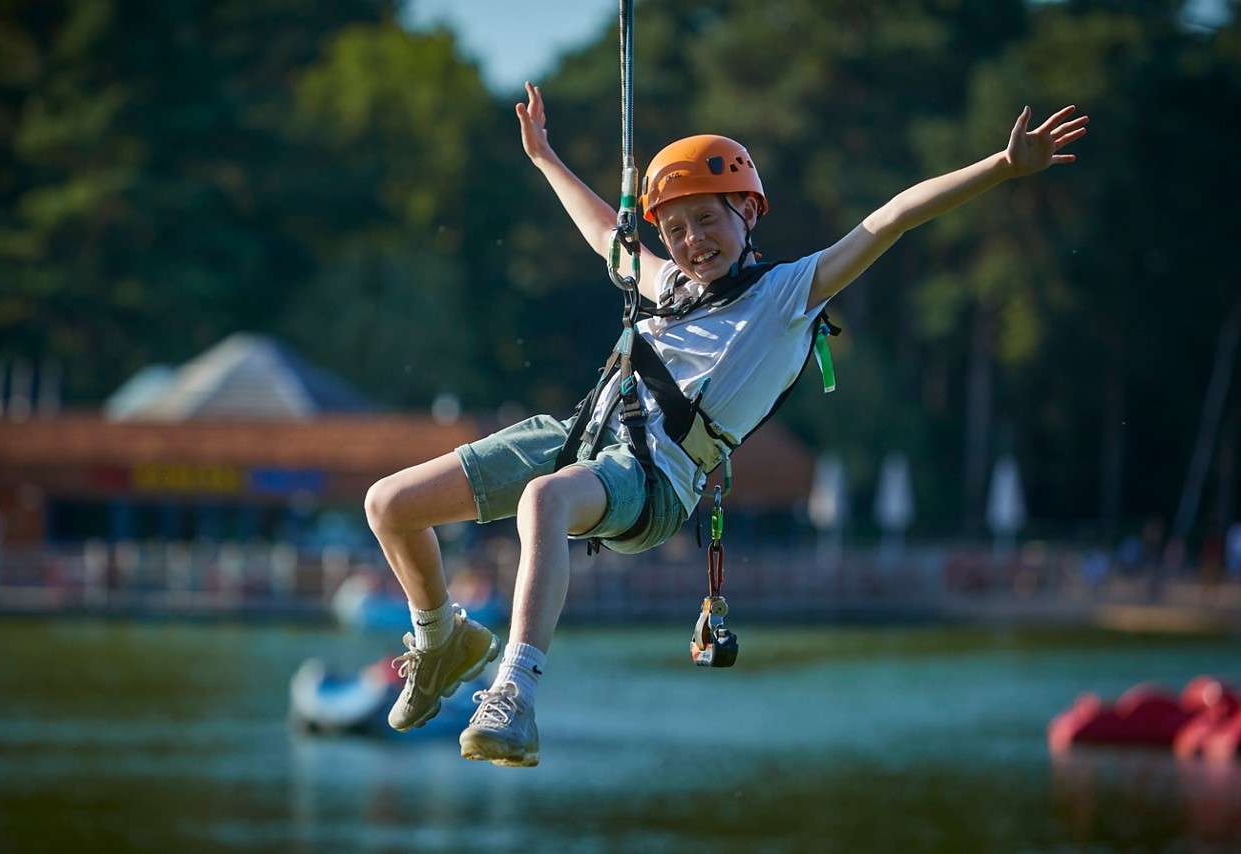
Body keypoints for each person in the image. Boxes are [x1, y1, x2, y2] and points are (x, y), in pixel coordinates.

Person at [363, 81, 1088, 767]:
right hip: (579, 435)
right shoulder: (668, 283)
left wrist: (1000, 165)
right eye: (675, 228)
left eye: (707, 220)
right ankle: (442, 642)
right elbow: (598, 231)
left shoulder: (788, 294)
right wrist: (545, 157)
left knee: (543, 499)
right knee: (390, 505)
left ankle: (514, 693)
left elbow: (892, 216)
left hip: (654, 480)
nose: (691, 240)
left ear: (748, 211)